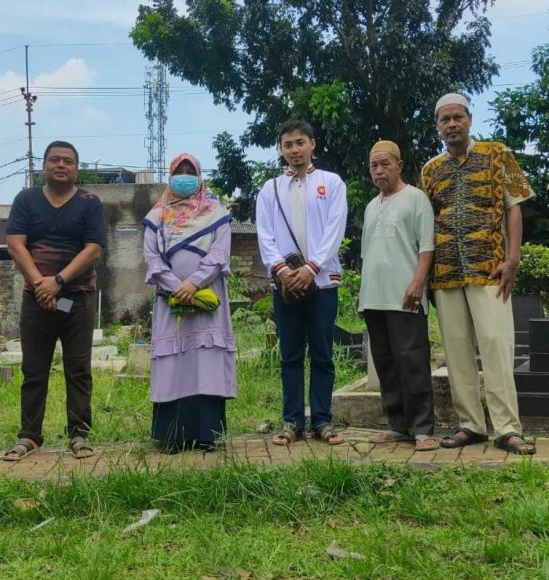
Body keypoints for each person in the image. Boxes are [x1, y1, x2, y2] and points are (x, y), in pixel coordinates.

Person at [422, 93, 536, 455]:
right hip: (447, 274)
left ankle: (506, 428)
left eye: (458, 117)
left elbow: (513, 206)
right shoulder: (430, 170)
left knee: (496, 347)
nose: (452, 124)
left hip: (491, 270)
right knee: (456, 352)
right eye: (445, 120)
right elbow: (426, 223)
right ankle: (470, 424)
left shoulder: (497, 153)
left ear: (469, 119)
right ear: (438, 127)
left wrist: (513, 257)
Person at [5, 141, 106, 460]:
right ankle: (29, 436)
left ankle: (79, 434)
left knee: (78, 369)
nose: (61, 165)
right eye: (54, 160)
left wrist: (58, 281)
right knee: (34, 370)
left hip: (76, 301)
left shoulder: (90, 203)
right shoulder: (26, 199)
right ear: (44, 166)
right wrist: (40, 285)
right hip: (37, 300)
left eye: (68, 161)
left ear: (77, 168)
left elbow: (93, 249)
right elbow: (15, 244)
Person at [256, 120, 347, 446]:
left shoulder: (332, 183)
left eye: (300, 143)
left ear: (313, 144)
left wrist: (311, 267)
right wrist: (281, 270)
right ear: (281, 150)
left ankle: (322, 421)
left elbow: (335, 229)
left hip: (322, 282)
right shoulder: (270, 189)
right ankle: (292, 421)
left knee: (322, 353)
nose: (294, 150)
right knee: (290, 355)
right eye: (287, 144)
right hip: (285, 285)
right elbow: (264, 234)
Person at [142, 152, 235, 453]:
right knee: (174, 364)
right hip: (170, 302)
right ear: (170, 176)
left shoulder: (216, 212)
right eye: (178, 171)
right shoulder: (156, 216)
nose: (184, 176)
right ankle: (171, 436)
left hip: (208, 302)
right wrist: (175, 286)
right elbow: (152, 257)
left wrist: (194, 283)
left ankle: (206, 434)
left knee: (204, 362)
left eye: (189, 171)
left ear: (199, 175)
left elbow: (220, 254)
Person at [359, 141, 438, 451]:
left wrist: (418, 283)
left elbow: (426, 246)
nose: (379, 170)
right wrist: (362, 293)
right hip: (374, 298)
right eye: (373, 166)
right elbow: (367, 254)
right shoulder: (370, 206)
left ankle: (422, 428)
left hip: (406, 297)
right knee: (386, 363)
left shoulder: (416, 199)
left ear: (399, 165)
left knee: (413, 361)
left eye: (384, 164)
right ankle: (398, 425)